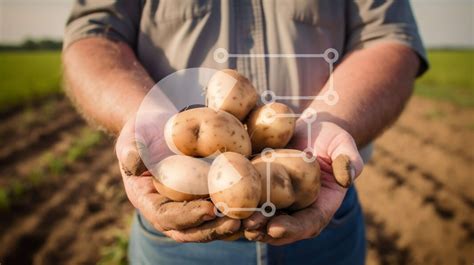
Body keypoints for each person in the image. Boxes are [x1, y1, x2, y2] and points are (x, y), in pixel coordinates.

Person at [62, 1, 428, 264]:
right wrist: (141, 115)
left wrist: (334, 120)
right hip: (179, 233)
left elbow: (388, 37)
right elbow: (93, 35)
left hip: (325, 207)